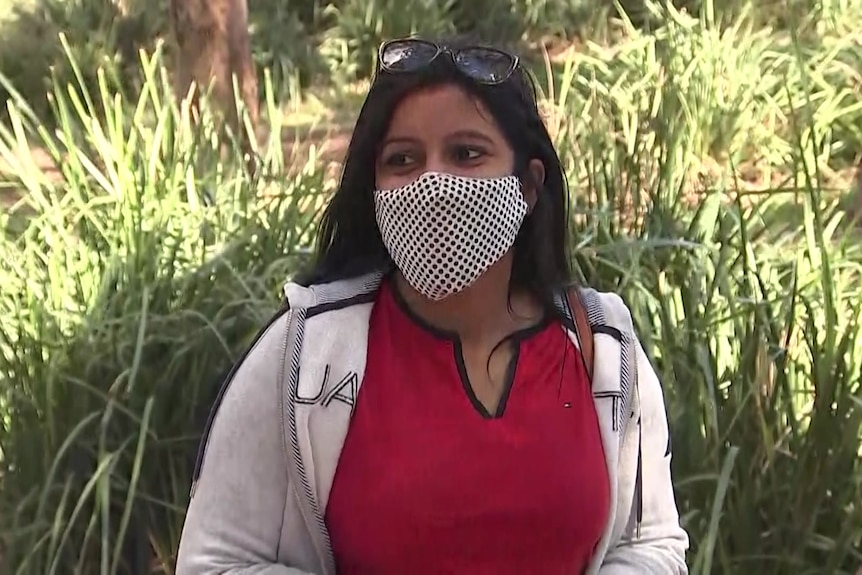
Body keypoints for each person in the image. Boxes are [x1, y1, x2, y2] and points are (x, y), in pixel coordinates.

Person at [175, 36, 689, 575]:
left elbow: (650, 541)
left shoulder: (603, 349)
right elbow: (216, 561)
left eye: (467, 154)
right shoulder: (303, 357)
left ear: (529, 186)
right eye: (403, 160)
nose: (433, 184)